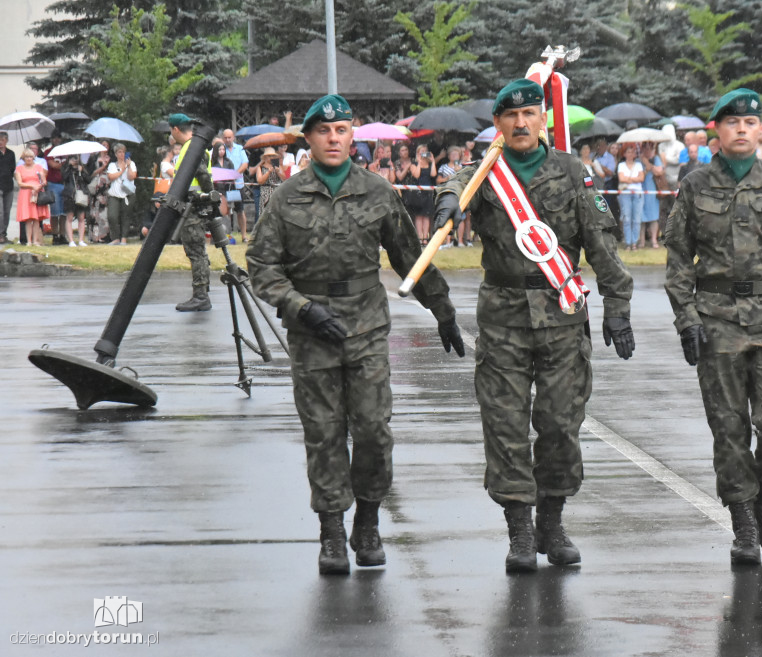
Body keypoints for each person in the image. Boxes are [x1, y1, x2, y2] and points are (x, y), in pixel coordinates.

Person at [247, 93, 464, 576]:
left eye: (342, 130)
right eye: (323, 131)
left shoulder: (378, 191)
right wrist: (300, 307)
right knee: (323, 434)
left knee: (372, 430)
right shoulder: (286, 198)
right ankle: (330, 533)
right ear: (308, 138)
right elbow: (261, 265)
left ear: (352, 135)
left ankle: (367, 523)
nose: (333, 138)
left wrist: (443, 309)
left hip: (366, 326)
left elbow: (411, 255)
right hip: (312, 331)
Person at [432, 78, 634, 573]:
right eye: (510, 116)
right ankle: (520, 531)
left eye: (530, 114)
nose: (521, 123)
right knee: (504, 425)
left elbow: (600, 239)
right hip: (502, 316)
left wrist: (617, 303)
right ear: (497, 124)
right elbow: (456, 183)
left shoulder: (571, 171)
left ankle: (553, 521)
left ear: (541, 118)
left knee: (561, 423)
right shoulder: (485, 172)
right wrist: (447, 200)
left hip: (563, 314)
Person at [664, 89, 762, 565]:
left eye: (748, 122)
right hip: (716, 319)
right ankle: (743, 521)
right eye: (730, 121)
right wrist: (686, 317)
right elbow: (677, 259)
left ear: (761, 131)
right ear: (715, 129)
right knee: (728, 426)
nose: (740, 128)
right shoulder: (695, 185)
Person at [169, 112, 214, 312]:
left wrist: (208, 195)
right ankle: (203, 290)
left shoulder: (191, 148)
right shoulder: (193, 146)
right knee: (199, 252)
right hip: (195, 205)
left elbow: (202, 175)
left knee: (195, 252)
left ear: (175, 130)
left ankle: (200, 296)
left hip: (193, 207)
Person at [14, 149, 50, 246]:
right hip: (26, 194)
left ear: (33, 158)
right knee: (28, 218)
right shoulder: (19, 168)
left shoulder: (39, 167)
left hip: (37, 193)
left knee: (36, 218)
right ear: (23, 158)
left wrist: (37, 188)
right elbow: (20, 183)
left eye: (31, 157)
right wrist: (31, 187)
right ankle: (28, 241)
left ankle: (35, 240)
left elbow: (44, 181)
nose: (29, 159)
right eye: (27, 157)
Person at [105, 143, 137, 245]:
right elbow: (111, 177)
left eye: (123, 152)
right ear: (115, 154)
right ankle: (115, 238)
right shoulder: (112, 165)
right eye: (119, 152)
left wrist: (128, 167)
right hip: (114, 194)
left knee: (126, 216)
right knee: (112, 216)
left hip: (127, 195)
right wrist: (122, 169)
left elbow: (132, 177)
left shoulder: (131, 164)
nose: (122, 154)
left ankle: (124, 238)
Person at [221, 128, 249, 241]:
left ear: (233, 137)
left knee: (240, 210)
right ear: (223, 138)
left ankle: (244, 236)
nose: (228, 140)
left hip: (237, 185)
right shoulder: (220, 149)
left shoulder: (240, 149)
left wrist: (235, 174)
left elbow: (245, 163)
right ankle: (227, 235)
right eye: (225, 137)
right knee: (226, 210)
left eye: (229, 137)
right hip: (225, 185)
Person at [617, 143, 644, 250]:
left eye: (632, 152)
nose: (630, 154)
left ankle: (634, 242)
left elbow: (641, 178)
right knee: (627, 218)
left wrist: (629, 179)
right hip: (625, 194)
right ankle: (628, 242)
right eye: (628, 152)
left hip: (637, 193)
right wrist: (634, 179)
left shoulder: (638, 165)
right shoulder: (621, 165)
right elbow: (621, 179)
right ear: (624, 154)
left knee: (636, 219)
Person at [638, 142, 664, 248]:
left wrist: (648, 164)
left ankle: (654, 240)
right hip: (640, 190)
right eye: (646, 149)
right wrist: (645, 166)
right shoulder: (637, 160)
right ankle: (642, 241)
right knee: (641, 217)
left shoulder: (656, 159)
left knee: (654, 216)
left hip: (653, 190)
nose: (648, 151)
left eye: (650, 149)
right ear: (642, 149)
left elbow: (659, 172)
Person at [61, 155, 90, 246]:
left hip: (80, 194)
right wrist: (70, 167)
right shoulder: (65, 168)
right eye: (72, 159)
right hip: (70, 195)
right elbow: (64, 178)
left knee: (81, 217)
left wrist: (81, 172)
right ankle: (71, 240)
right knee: (69, 217)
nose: (75, 160)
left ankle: (81, 240)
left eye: (76, 159)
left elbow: (87, 180)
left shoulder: (82, 168)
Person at [255, 147, 285, 218]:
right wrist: (268, 172)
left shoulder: (278, 166)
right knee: (265, 214)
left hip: (276, 192)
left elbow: (284, 179)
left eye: (273, 156)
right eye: (269, 156)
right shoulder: (260, 167)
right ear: (265, 157)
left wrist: (278, 172)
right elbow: (260, 181)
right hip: (265, 192)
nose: (271, 157)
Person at [0, 132, 16, 244]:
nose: (0, 142)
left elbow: (12, 169)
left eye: (2, 140)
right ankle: (0, 234)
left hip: (8, 186)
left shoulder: (11, 153)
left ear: (6, 141)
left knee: (7, 211)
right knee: (0, 211)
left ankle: (4, 233)